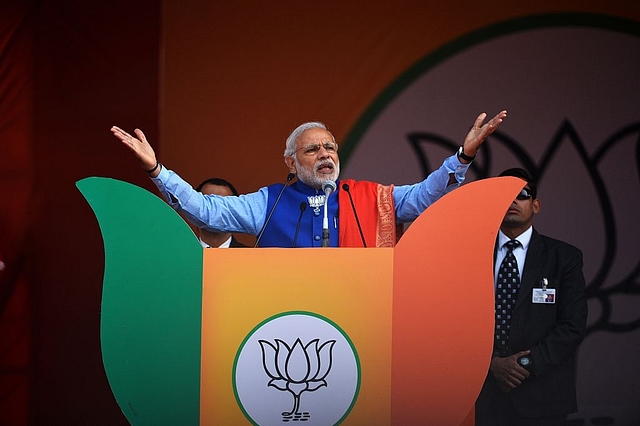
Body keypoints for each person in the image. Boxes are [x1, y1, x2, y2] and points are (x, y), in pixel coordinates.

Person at [110, 110, 507, 247]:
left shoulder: (370, 197)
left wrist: (463, 156)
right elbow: (204, 210)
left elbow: (424, 197)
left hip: (361, 325)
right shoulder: (267, 202)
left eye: (330, 148)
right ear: (291, 160)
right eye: (313, 150)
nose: (325, 156)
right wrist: (156, 170)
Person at [475, 168, 588, 426]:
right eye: (504, 195)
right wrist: (492, 364)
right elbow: (456, 320)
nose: (512, 200)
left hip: (542, 395)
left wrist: (524, 363)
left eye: (522, 194)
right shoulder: (472, 255)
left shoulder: (564, 258)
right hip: (481, 396)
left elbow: (573, 325)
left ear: (535, 205)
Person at [195, 177, 248, 248]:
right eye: (208, 204)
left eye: (223, 205)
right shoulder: (177, 255)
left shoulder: (252, 257)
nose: (215, 211)